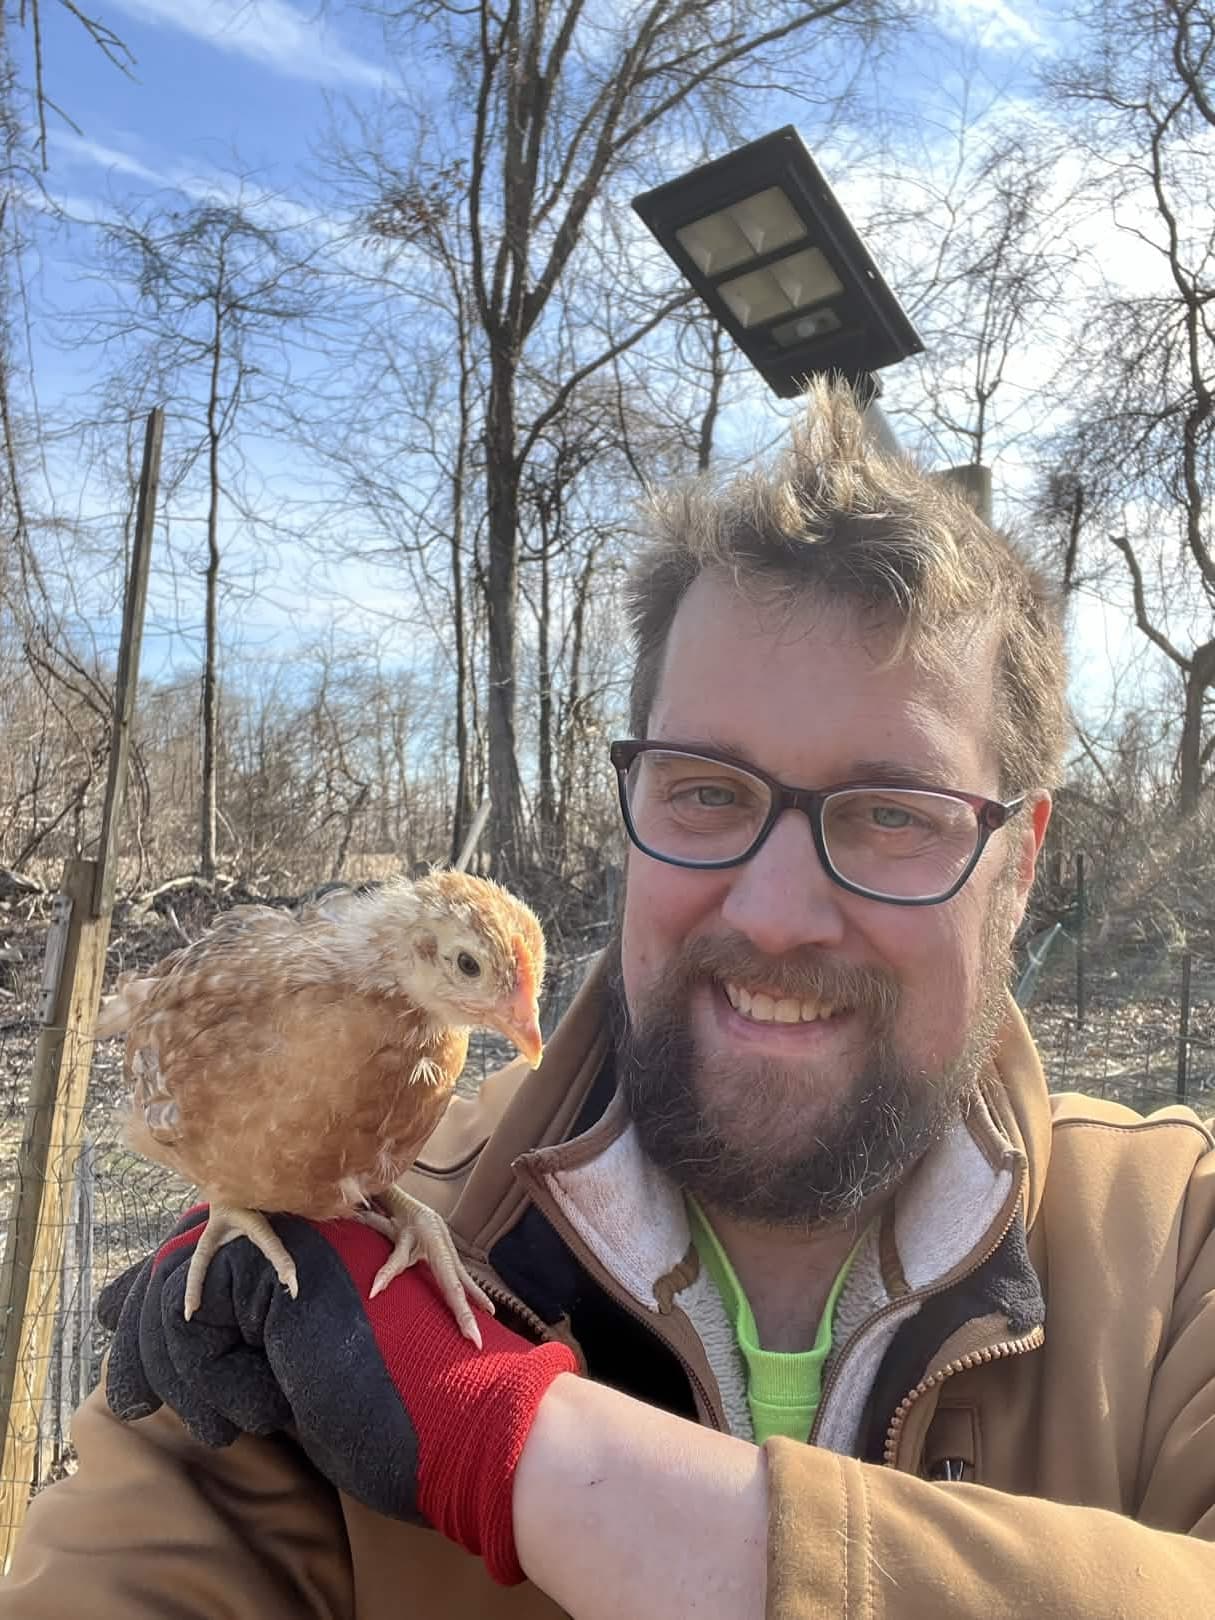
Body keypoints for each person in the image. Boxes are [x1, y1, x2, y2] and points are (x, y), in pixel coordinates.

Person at [5, 378, 1215, 1619]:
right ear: (633, 811)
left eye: (895, 813)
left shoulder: (1177, 1250)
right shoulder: (343, 1234)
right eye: (706, 791)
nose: (774, 910)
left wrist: (513, 1449)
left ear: (1018, 867)